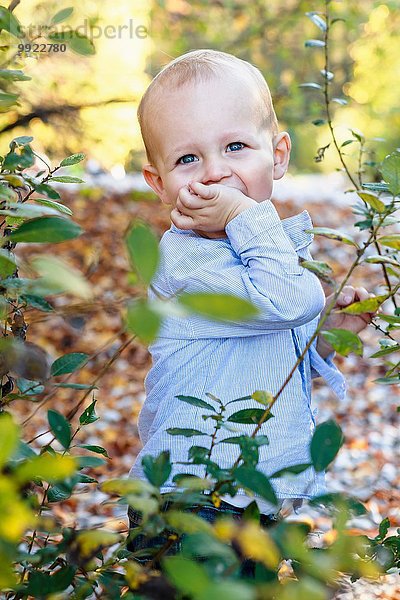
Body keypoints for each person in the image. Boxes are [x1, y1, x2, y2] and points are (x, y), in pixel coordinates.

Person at [127, 49, 375, 557]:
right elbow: (286, 300)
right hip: (191, 500)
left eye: (235, 146)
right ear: (159, 183)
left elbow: (271, 347)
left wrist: (322, 334)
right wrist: (245, 210)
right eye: (188, 159)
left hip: (245, 499)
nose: (215, 173)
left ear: (278, 155)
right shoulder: (184, 265)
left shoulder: (262, 256)